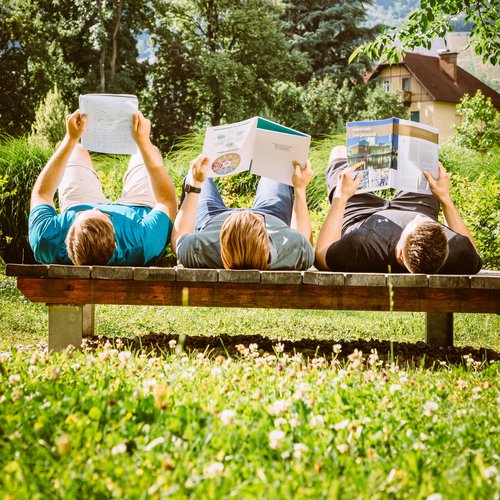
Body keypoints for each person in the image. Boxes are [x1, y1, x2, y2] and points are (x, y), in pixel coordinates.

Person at [29, 109, 177, 266]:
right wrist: (144, 142)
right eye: (107, 217)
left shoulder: (46, 238)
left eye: (83, 214)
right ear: (115, 244)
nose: (97, 209)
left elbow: (42, 194)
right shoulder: (144, 242)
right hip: (137, 207)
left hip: (79, 201)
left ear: (67, 240)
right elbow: (166, 201)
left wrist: (70, 139)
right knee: (147, 152)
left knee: (75, 150)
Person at [315, 145, 482, 274]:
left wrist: (340, 198)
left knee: (339, 152)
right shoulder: (453, 249)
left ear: (399, 253)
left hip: (363, 217)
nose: (413, 218)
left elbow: (321, 255)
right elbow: (473, 253)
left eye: (411, 222)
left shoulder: (359, 244)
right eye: (423, 220)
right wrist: (445, 198)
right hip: (414, 205)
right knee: (425, 161)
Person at [171, 155, 315, 270]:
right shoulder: (293, 250)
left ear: (221, 240)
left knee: (194, 172)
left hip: (212, 218)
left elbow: (179, 238)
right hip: (272, 214)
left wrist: (195, 184)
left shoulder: (199, 248)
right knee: (276, 165)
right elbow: (303, 240)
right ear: (266, 238)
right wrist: (300, 188)